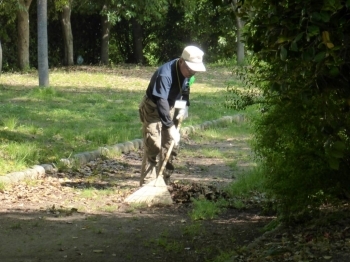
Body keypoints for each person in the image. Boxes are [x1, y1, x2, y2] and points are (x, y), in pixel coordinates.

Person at [138, 45, 206, 186]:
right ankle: (147, 184)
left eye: (195, 70)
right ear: (181, 61)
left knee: (170, 146)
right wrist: (169, 127)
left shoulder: (187, 73)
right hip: (153, 108)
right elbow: (161, 101)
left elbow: (185, 89)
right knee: (153, 145)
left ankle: (163, 182)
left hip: (171, 107)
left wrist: (185, 105)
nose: (192, 72)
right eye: (190, 69)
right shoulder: (165, 74)